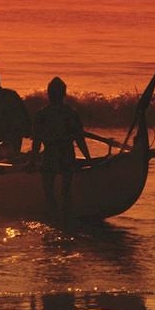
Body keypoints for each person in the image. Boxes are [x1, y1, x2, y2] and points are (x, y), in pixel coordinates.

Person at [30, 76, 91, 226]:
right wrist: (88, 158)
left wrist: (32, 161)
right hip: (66, 154)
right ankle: (66, 218)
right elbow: (79, 139)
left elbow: (37, 141)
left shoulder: (41, 114)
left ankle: (53, 219)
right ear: (64, 94)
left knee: (49, 192)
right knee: (65, 191)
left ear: (48, 94)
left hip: (50, 154)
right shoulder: (71, 113)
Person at [0, 71, 30, 157]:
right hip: (6, 135)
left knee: (8, 157)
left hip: (9, 134)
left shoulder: (8, 95)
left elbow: (23, 114)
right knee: (8, 156)